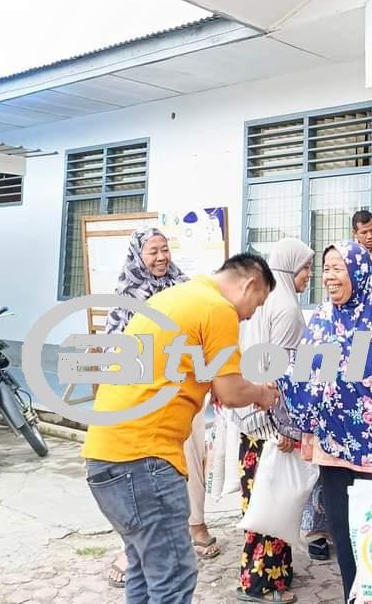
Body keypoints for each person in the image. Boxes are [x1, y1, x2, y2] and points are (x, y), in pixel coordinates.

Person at [81, 254, 280, 604]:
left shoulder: (171, 297)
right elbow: (231, 391)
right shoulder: (218, 308)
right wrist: (264, 394)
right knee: (173, 578)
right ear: (250, 284)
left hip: (104, 455)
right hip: (144, 460)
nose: (250, 314)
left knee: (145, 571)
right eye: (257, 303)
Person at [282, 241, 372, 602]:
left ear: (358, 272)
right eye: (325, 268)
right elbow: (306, 378)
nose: (328, 276)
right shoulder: (323, 319)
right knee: (344, 542)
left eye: (337, 268)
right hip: (334, 452)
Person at [102, 229, 219, 589]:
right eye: (153, 251)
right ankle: (133, 548)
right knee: (150, 472)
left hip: (187, 393)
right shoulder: (126, 294)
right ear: (139, 255)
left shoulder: (183, 286)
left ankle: (196, 524)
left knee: (194, 459)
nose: (160, 257)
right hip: (147, 399)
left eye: (165, 250)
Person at [235, 238, 314, 604]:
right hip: (270, 424)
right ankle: (259, 585)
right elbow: (280, 375)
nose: (310, 276)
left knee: (261, 501)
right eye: (306, 268)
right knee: (272, 502)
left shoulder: (266, 303)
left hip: (251, 419)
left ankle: (275, 575)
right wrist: (285, 428)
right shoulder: (287, 309)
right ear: (288, 267)